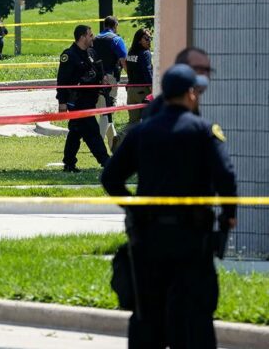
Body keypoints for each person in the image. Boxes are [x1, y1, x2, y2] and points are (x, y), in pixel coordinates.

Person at [101, 64, 237, 349]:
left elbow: (111, 178)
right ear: (190, 94)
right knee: (195, 316)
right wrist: (227, 218)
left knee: (147, 316)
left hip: (149, 240)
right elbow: (226, 177)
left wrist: (134, 208)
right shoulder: (204, 131)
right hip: (192, 240)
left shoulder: (141, 133)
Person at [57, 25, 110, 173]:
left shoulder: (90, 53)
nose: (92, 37)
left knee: (76, 131)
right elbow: (62, 81)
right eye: (90, 35)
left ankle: (69, 163)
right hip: (77, 101)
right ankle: (106, 162)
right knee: (92, 131)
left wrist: (103, 79)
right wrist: (62, 103)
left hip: (89, 99)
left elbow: (97, 72)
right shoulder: (69, 55)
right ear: (82, 37)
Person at [143, 47, 213, 119]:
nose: (205, 75)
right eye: (200, 69)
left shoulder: (190, 104)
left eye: (208, 70)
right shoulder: (158, 111)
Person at [94, 16, 128, 148]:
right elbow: (123, 60)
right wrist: (131, 77)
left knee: (106, 109)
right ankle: (98, 143)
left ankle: (113, 142)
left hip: (96, 78)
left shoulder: (95, 39)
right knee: (107, 110)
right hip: (110, 78)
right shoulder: (116, 39)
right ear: (115, 25)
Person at [117, 28, 153, 146]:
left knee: (133, 121)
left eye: (150, 38)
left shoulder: (131, 53)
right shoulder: (145, 53)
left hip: (131, 90)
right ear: (139, 40)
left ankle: (120, 137)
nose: (149, 41)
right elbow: (147, 72)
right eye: (146, 38)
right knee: (149, 120)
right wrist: (153, 89)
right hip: (143, 91)